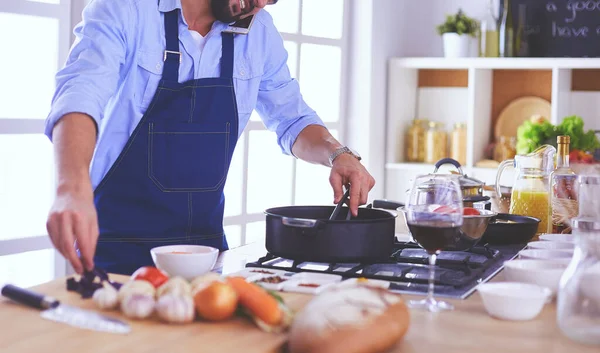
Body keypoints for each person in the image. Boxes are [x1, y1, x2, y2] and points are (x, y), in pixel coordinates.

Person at [45, 0, 375, 276]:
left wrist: (338, 153)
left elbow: (293, 118)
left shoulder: (258, 31)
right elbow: (80, 93)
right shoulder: (126, 8)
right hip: (115, 253)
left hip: (204, 257)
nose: (260, 4)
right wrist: (71, 188)